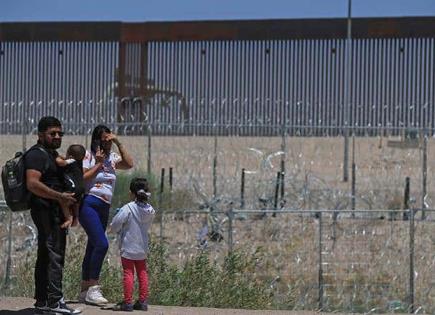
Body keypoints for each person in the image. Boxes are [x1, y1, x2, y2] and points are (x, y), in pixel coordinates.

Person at [25, 116, 81, 315]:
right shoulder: (36, 155)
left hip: (53, 210)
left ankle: (43, 301)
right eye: (52, 133)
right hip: (45, 211)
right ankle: (55, 302)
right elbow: (32, 183)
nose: (57, 136)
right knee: (54, 255)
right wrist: (60, 197)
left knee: (46, 255)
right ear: (41, 135)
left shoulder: (51, 154)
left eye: (60, 133)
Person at [79, 124, 134, 305]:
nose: (107, 143)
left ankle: (85, 289)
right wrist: (99, 163)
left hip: (104, 206)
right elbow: (83, 177)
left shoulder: (112, 157)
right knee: (102, 244)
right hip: (89, 203)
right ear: (96, 139)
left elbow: (129, 164)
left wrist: (118, 142)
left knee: (93, 246)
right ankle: (94, 287)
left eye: (109, 140)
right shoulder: (88, 156)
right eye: (104, 140)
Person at [109, 177, 155, 311]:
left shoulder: (127, 208)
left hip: (128, 246)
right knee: (142, 273)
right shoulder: (150, 210)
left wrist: (113, 227)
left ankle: (128, 303)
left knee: (128, 273)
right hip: (142, 247)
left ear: (132, 193)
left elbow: (115, 225)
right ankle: (142, 301)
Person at [55, 144, 86, 228]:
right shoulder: (79, 162)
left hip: (73, 188)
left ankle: (69, 217)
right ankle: (76, 218)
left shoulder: (71, 160)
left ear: (71, 156)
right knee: (76, 203)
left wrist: (56, 157)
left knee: (63, 200)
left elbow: (61, 163)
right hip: (81, 188)